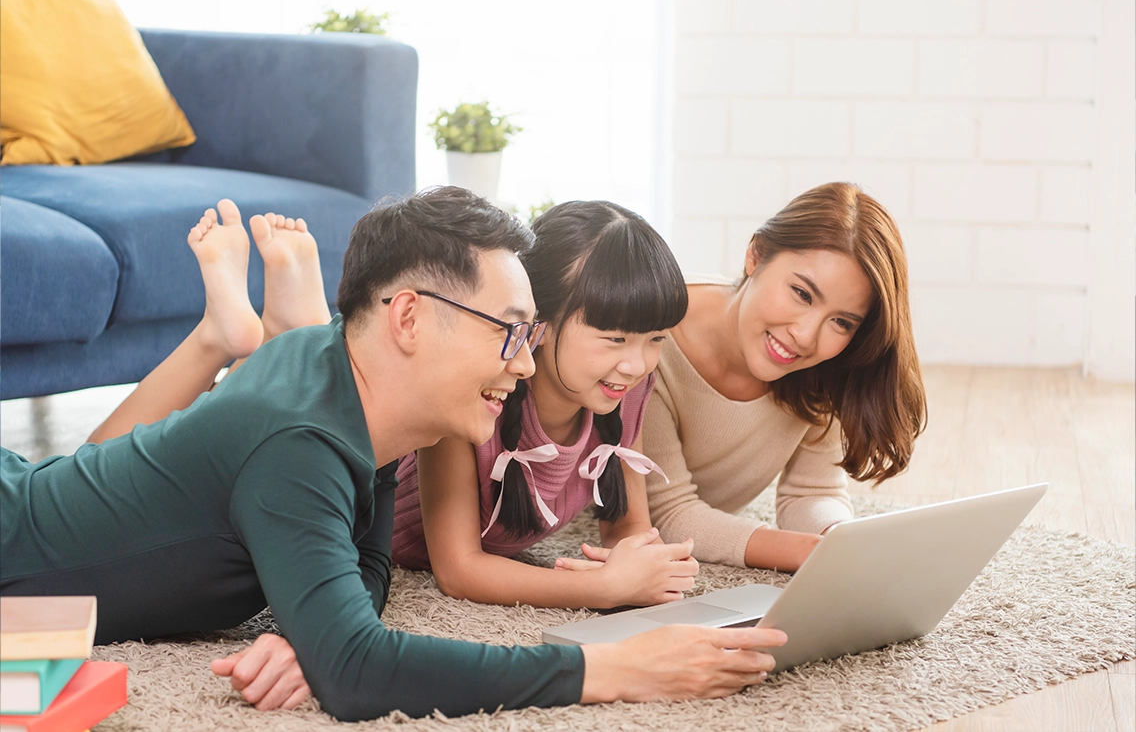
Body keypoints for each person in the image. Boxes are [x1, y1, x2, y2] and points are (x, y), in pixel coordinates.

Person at [0, 187, 787, 722]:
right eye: (509, 331)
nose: (523, 364)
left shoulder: (352, 388)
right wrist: (617, 671)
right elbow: (357, 673)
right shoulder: (298, 439)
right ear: (408, 316)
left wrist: (308, 631)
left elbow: (364, 566)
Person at [392, 200, 697, 610]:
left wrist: (643, 566)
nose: (636, 365)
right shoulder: (475, 395)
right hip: (367, 533)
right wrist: (602, 587)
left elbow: (625, 523)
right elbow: (458, 570)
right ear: (541, 325)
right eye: (615, 339)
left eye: (656, 338)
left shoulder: (625, 393)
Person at [642, 182, 928, 572]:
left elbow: (812, 492)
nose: (806, 336)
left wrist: (838, 539)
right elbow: (670, 515)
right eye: (802, 294)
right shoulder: (649, 339)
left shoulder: (823, 364)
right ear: (755, 256)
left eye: (841, 322)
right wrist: (806, 554)